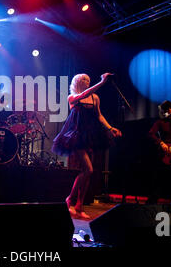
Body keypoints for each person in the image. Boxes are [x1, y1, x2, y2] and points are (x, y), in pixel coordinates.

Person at [52, 73, 122, 219]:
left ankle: (79, 205)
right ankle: (70, 199)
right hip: (76, 136)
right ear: (77, 81)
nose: (87, 81)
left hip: (90, 135)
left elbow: (99, 116)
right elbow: (84, 94)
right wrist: (102, 82)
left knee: (87, 171)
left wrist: (110, 128)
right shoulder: (72, 97)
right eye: (84, 79)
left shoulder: (95, 98)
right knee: (89, 169)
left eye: (89, 79)